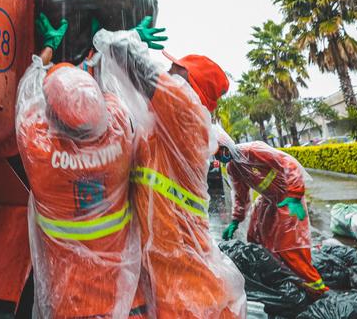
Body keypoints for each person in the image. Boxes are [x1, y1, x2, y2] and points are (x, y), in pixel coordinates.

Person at [93, 23, 246, 319]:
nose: (169, 71)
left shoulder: (187, 114)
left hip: (193, 296)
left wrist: (129, 36)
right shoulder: (162, 131)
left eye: (176, 70)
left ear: (188, 85)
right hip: (177, 287)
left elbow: (127, 57)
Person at [15, 13, 144, 318]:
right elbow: (109, 92)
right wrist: (101, 54)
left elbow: (28, 91)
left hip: (69, 306)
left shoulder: (39, 151)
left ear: (50, 117)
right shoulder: (120, 135)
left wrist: (48, 47)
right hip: (121, 301)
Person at [218, 131, 328, 294]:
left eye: (219, 152)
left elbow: (287, 163)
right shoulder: (233, 167)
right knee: (255, 237)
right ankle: (280, 274)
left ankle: (316, 287)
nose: (219, 157)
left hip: (287, 197)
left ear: (226, 146)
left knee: (289, 244)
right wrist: (236, 219)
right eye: (215, 155)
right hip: (268, 199)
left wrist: (295, 195)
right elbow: (241, 195)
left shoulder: (253, 150)